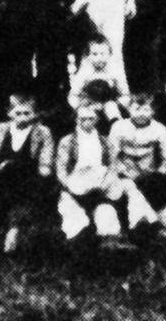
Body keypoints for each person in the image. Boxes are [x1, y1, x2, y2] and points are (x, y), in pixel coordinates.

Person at [0, 93, 56, 255]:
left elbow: (46, 159)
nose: (22, 117)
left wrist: (44, 169)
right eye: (18, 113)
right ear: (10, 113)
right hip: (2, 173)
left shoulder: (42, 132)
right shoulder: (0, 130)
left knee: (25, 191)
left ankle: (13, 231)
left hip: (28, 174)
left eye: (27, 113)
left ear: (34, 114)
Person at [56, 102, 125, 244]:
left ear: (97, 120)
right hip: (75, 188)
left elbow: (113, 167)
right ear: (76, 119)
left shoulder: (106, 142)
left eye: (91, 118)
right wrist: (71, 186)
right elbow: (61, 171)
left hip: (100, 186)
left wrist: (106, 183)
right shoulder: (67, 142)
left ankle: (109, 246)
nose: (87, 122)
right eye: (83, 119)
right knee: (76, 222)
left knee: (106, 215)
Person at [109, 92, 166, 236]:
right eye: (137, 109)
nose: (141, 114)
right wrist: (124, 172)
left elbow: (165, 158)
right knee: (132, 189)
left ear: (153, 111)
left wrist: (159, 174)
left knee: (164, 190)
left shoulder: (160, 129)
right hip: (125, 174)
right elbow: (112, 157)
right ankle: (142, 223)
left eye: (146, 110)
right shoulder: (118, 127)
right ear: (129, 110)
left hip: (149, 173)